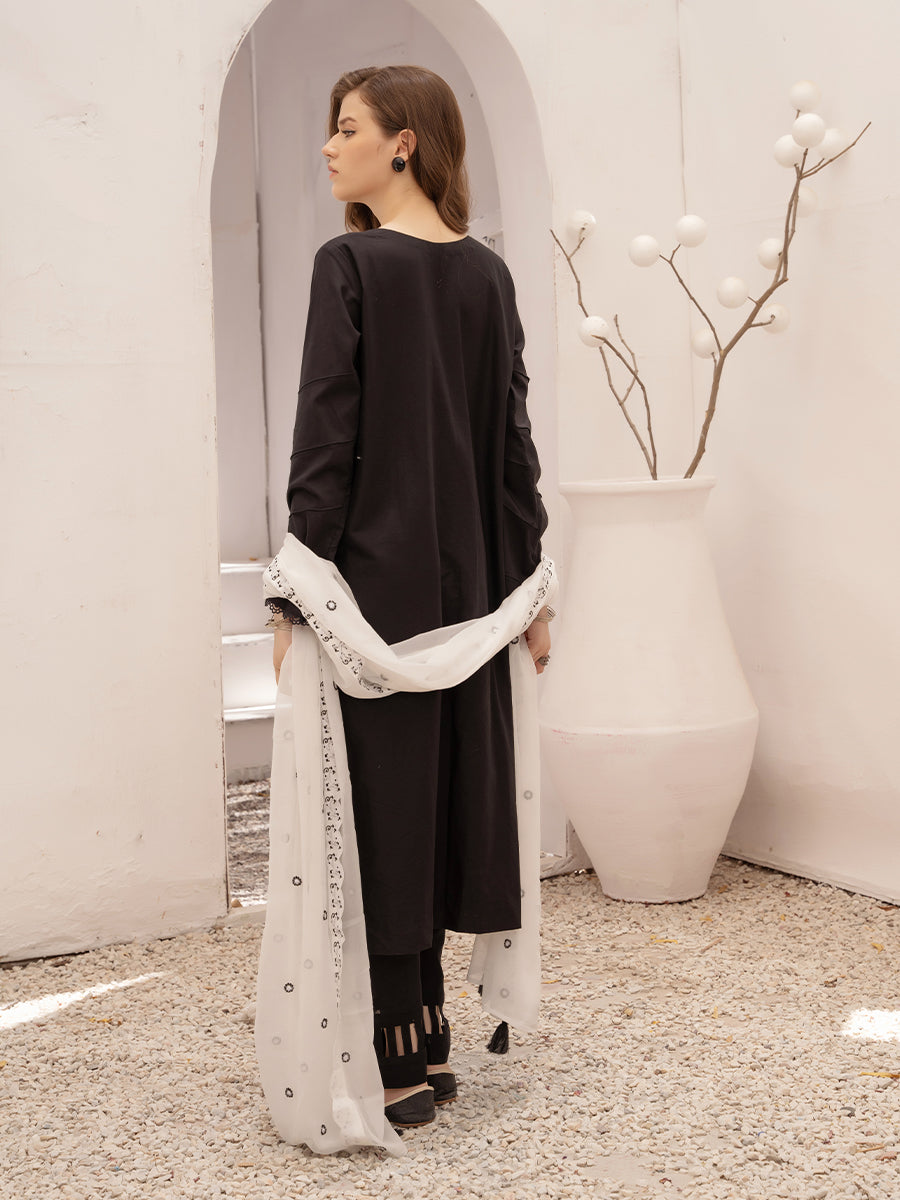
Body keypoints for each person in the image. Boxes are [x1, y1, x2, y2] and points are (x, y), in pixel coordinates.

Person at [266, 64, 552, 1133]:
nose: (329, 147)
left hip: (371, 594)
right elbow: (515, 450)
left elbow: (324, 437)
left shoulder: (346, 264)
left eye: (348, 128)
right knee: (440, 803)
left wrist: (295, 594)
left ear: (405, 143)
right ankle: (422, 1041)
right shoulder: (489, 276)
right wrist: (532, 592)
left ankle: (392, 1063)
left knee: (381, 814)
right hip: (471, 596)